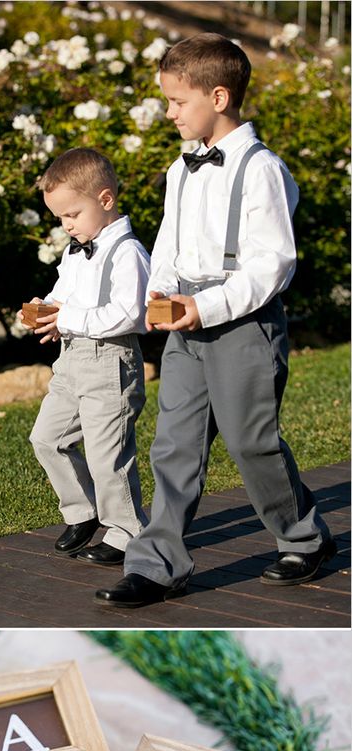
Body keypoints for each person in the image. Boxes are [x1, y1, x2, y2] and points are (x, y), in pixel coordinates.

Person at [95, 33, 335, 609]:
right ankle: (157, 566)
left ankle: (304, 536)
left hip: (244, 325)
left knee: (252, 443)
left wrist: (207, 306)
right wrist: (161, 287)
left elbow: (272, 264)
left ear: (219, 96)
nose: (169, 112)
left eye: (178, 102)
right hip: (184, 323)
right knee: (173, 445)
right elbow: (171, 240)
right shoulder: (182, 169)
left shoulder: (260, 170)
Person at [21, 147, 150, 566]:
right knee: (46, 438)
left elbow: (130, 314)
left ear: (105, 199)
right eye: (59, 218)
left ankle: (128, 530)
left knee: (106, 453)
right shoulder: (75, 250)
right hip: (72, 359)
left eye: (72, 215)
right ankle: (84, 511)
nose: (66, 225)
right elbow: (66, 295)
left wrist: (70, 316)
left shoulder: (127, 252)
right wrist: (48, 309)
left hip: (110, 363)